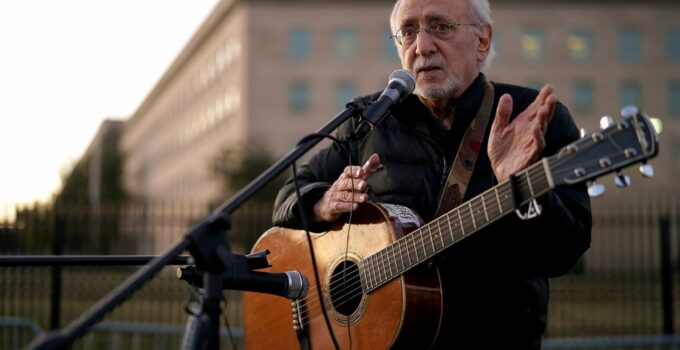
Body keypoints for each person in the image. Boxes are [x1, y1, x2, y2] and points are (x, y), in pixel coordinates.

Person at [272, 0, 592, 348]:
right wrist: (322, 203)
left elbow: (566, 252)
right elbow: (287, 197)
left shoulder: (533, 121)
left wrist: (524, 188)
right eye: (408, 32)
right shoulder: (367, 121)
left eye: (440, 27)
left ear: (482, 41)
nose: (422, 47)